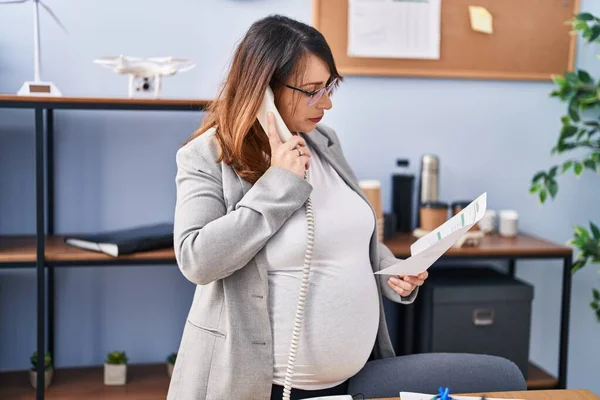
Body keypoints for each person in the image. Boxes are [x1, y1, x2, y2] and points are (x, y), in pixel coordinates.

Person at [167, 14, 429, 400]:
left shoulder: (324, 141)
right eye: (311, 90)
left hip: (348, 384)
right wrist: (279, 184)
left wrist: (391, 271)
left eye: (329, 88)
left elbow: (345, 238)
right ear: (264, 90)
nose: (326, 104)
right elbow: (197, 259)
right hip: (263, 387)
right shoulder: (206, 155)